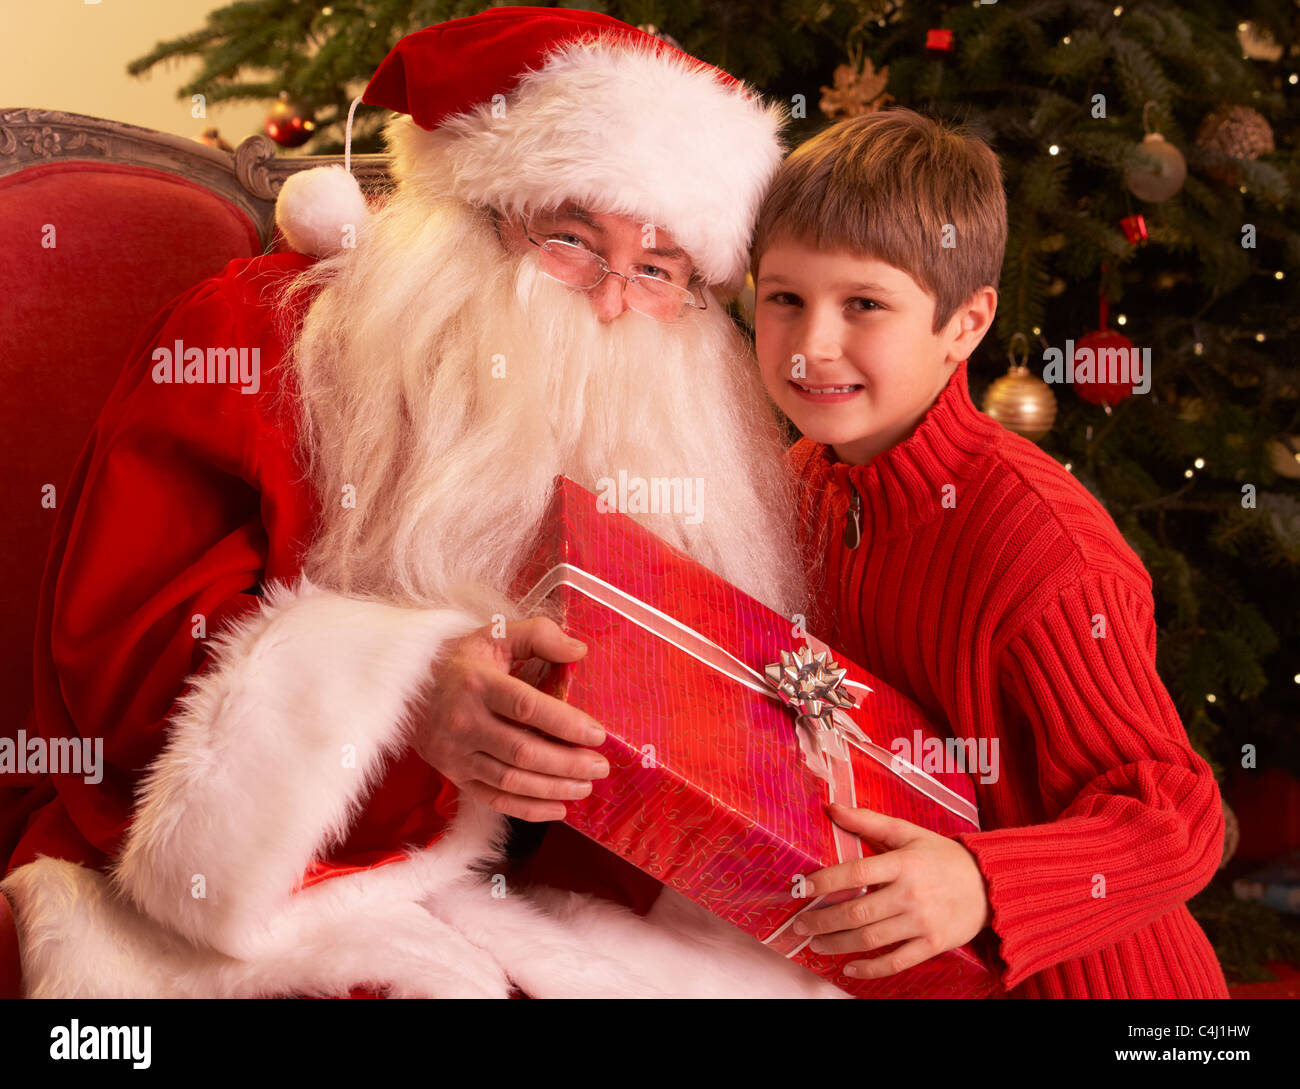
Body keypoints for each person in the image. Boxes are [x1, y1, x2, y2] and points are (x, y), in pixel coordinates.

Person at [0, 9, 842, 999]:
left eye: (657, 269)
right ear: (463, 210)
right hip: (281, 891)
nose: (612, 298)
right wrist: (399, 698)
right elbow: (124, 658)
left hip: (556, 897)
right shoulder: (264, 337)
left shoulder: (693, 429)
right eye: (571, 238)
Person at [747, 107, 1230, 998]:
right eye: (785, 297)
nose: (813, 345)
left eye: (864, 304)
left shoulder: (1043, 549)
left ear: (965, 324)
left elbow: (1180, 813)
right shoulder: (797, 482)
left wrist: (982, 880)